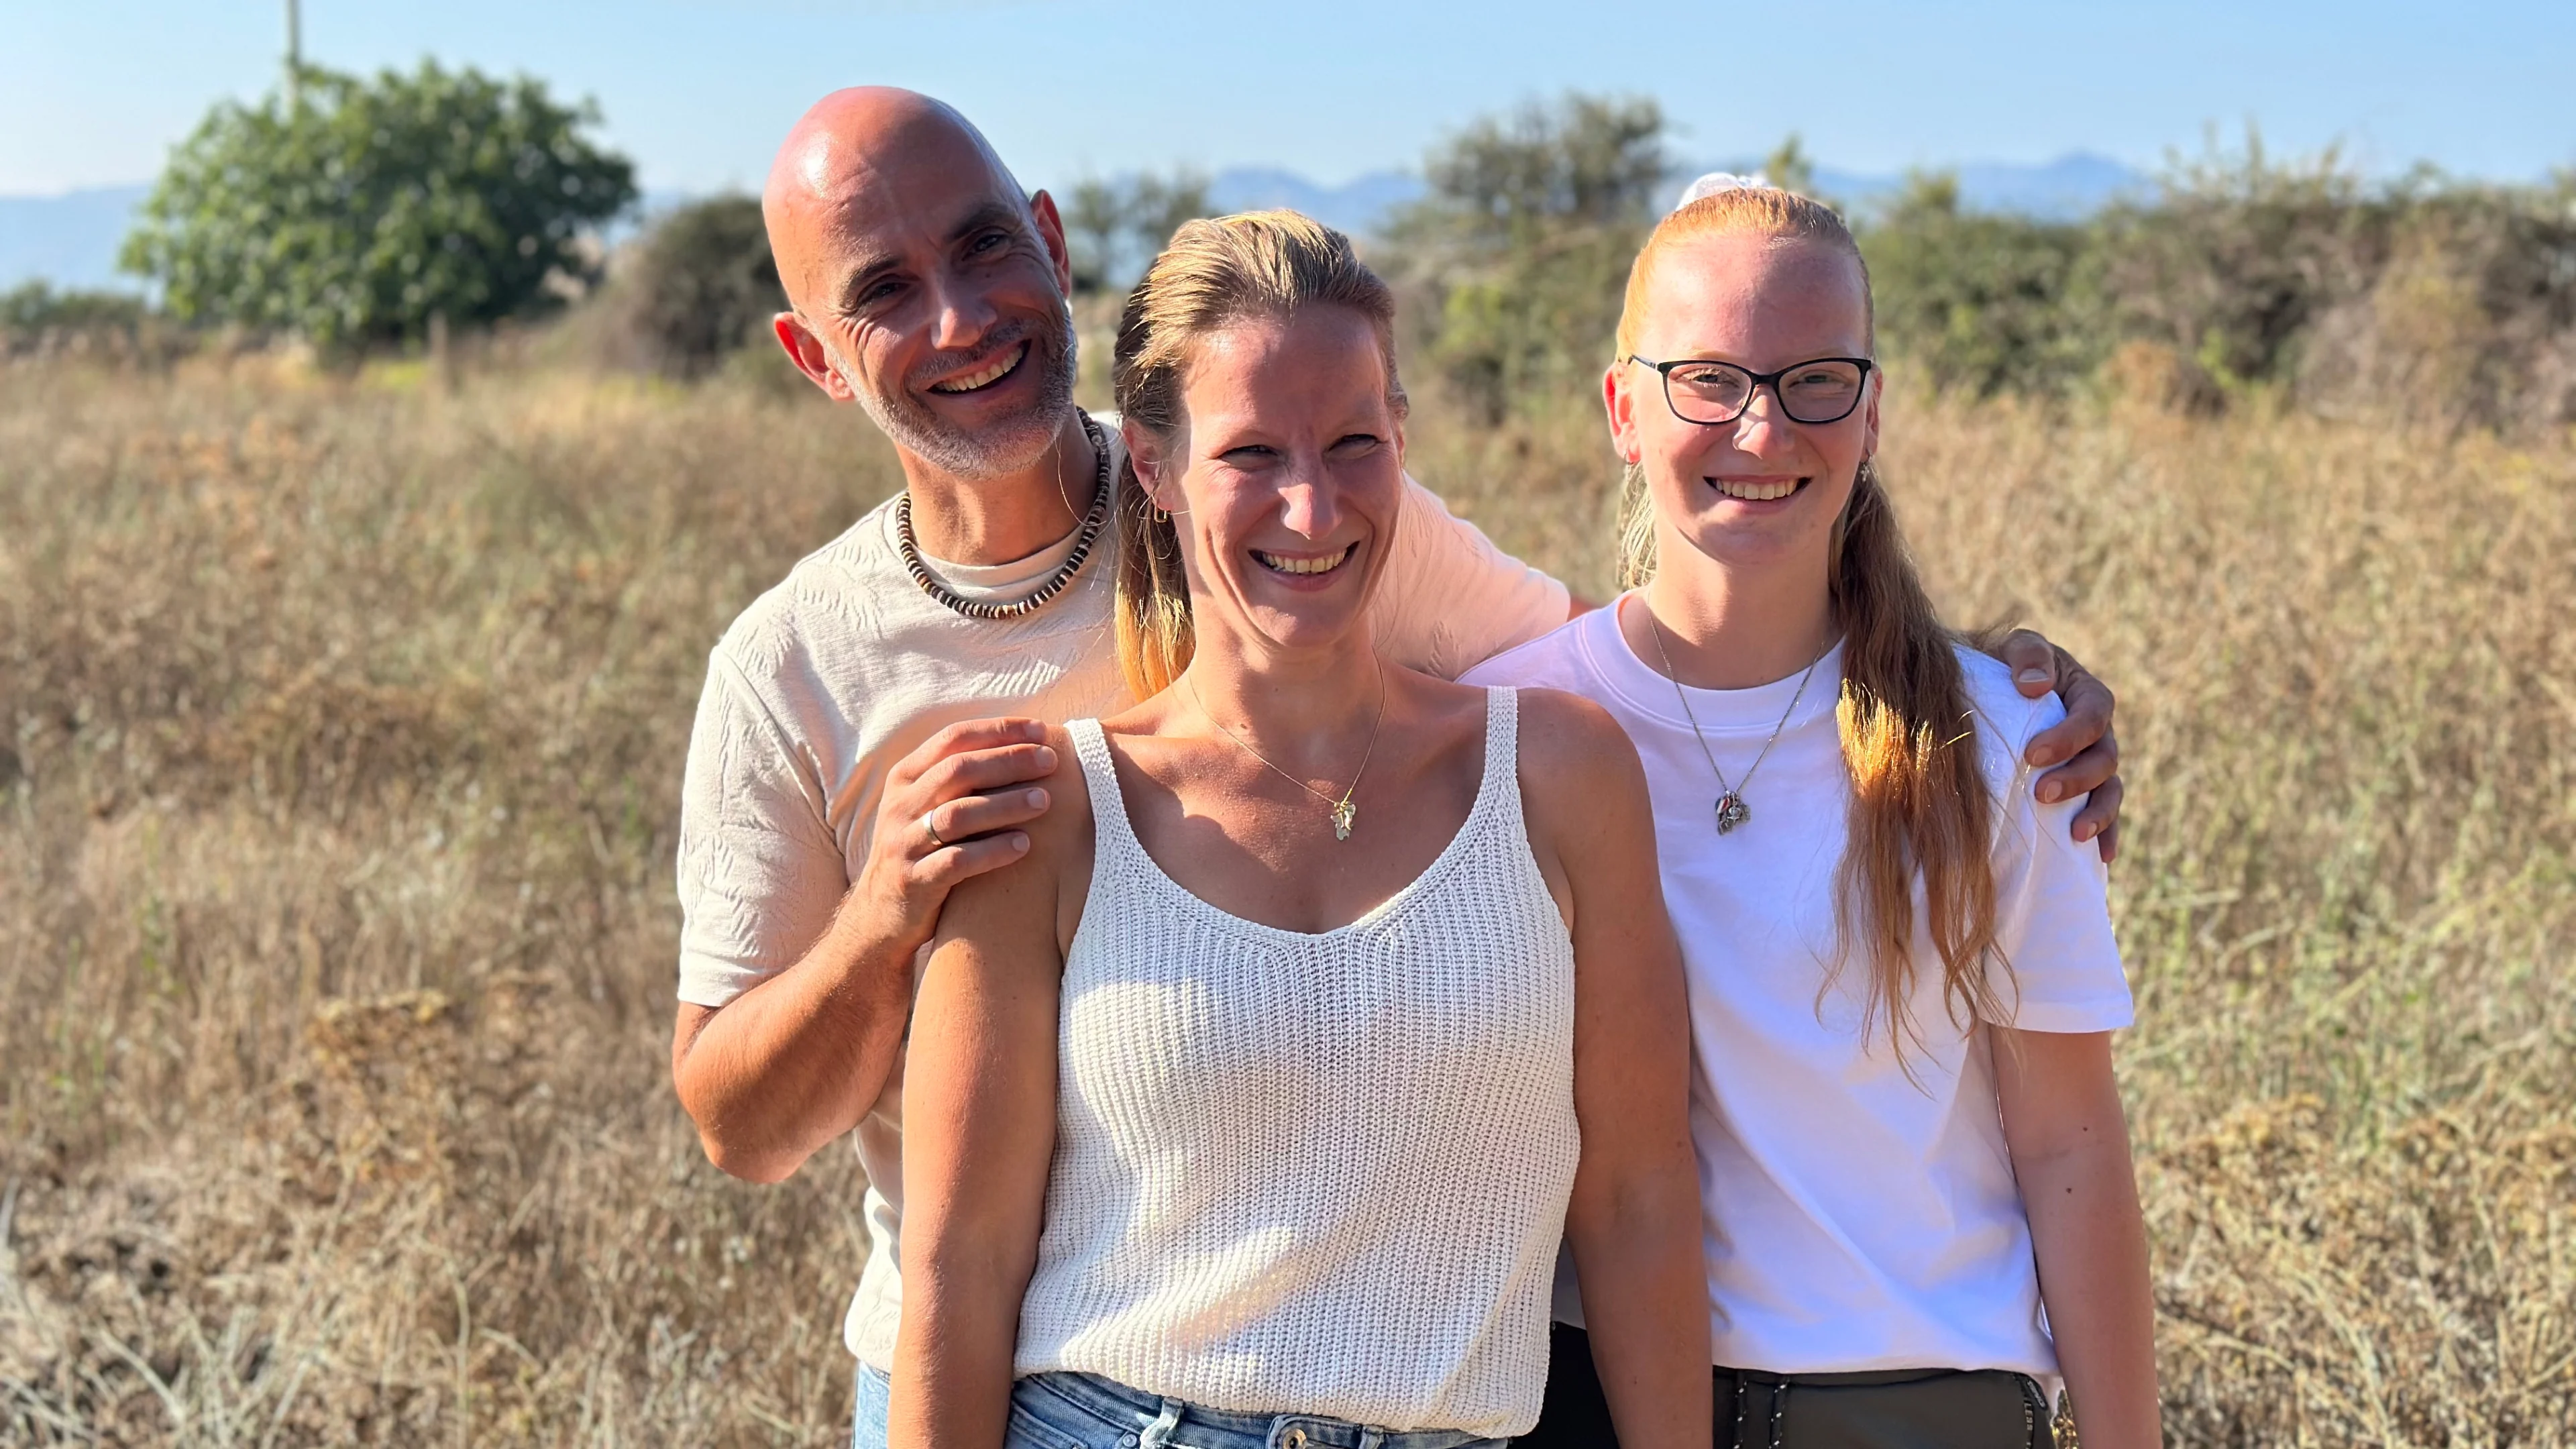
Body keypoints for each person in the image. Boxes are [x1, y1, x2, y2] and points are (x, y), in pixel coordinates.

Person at [662, 87, 2127, 1447]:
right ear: (815, 359)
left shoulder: (1350, 513)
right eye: (885, 292)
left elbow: (1665, 658)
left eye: (983, 250)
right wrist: (885, 914)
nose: (962, 315)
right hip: (1030, 1371)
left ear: (1047, 242)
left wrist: (1963, 687)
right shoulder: (820, 683)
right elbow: (786, 1154)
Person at [891, 209, 1709, 1449]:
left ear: (1402, 445)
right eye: (1253, 454)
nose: (1313, 507)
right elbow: (961, 1258)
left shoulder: (1562, 775)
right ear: (1155, 471)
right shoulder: (1053, 811)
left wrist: (1987, 682)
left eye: (1353, 444)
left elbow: (1640, 1203)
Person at [1467, 180, 2158, 1448]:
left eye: (1815, 380)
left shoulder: (2003, 735)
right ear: (1623, 409)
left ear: (1874, 409)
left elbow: (2068, 1142)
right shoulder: (1504, 728)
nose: (1764, 427)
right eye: (1709, 379)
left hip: (1917, 1412)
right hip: (1585, 1403)